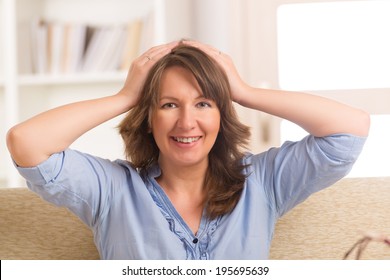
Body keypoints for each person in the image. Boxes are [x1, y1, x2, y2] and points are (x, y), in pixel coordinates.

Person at [6, 40, 370, 259]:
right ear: (148, 118)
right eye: (168, 105)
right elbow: (27, 142)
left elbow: (350, 129)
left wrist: (244, 92)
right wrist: (126, 96)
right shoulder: (112, 188)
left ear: (221, 114)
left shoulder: (262, 182)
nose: (186, 122)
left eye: (203, 103)